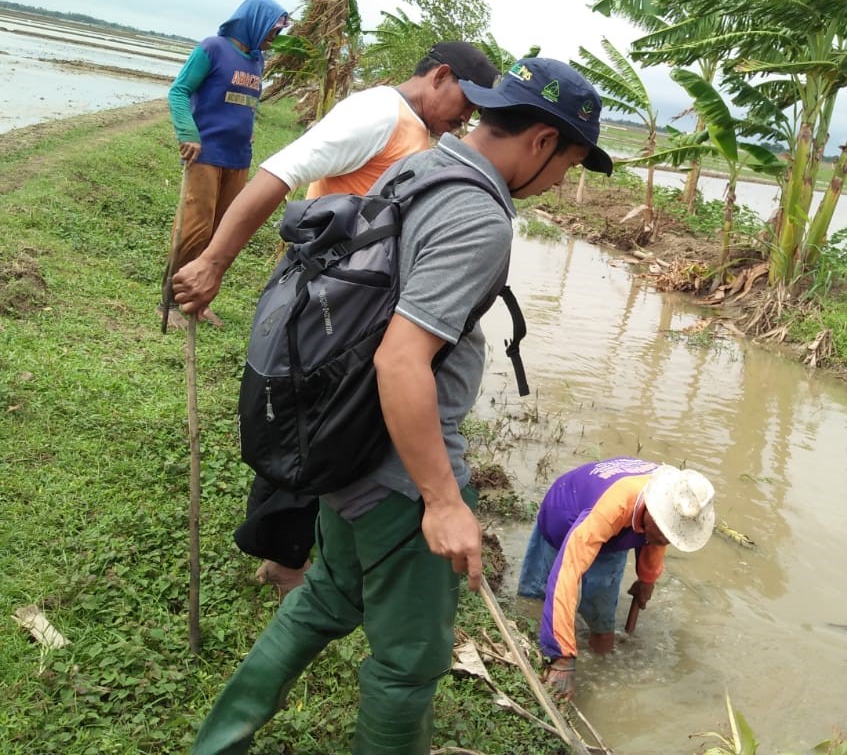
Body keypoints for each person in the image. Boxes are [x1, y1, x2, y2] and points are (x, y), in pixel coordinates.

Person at [189, 56, 613, 755]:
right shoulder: (480, 218)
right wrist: (442, 501)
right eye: (568, 162)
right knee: (409, 663)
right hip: (397, 470)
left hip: (339, 433)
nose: (562, 181)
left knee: (326, 598)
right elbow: (400, 358)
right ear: (540, 141)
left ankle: (215, 745)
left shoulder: (421, 166)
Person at [172, 42, 500, 596]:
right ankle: (284, 563)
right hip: (325, 308)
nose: (468, 117)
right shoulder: (377, 114)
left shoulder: (417, 130)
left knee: (327, 427)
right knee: (309, 428)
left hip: (352, 313)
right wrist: (212, 263)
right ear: (441, 76)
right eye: (467, 101)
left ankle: (296, 554)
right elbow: (280, 172)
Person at [516, 458, 716, 702]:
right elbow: (565, 575)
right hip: (564, 512)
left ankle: (599, 655)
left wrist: (647, 580)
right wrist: (562, 657)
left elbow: (656, 541)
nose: (666, 541)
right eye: (664, 532)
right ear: (652, 513)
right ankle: (533, 652)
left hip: (619, 528)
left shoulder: (673, 494)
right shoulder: (612, 507)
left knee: (603, 622)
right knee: (537, 598)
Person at [164, 0, 290, 327]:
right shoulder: (212, 48)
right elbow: (178, 91)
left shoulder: (257, 60)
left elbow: (247, 101)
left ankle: (199, 302)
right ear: (254, 21)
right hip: (205, 153)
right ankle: (171, 304)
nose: (273, 39)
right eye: (272, 30)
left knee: (222, 230)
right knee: (194, 228)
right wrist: (187, 132)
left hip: (238, 158)